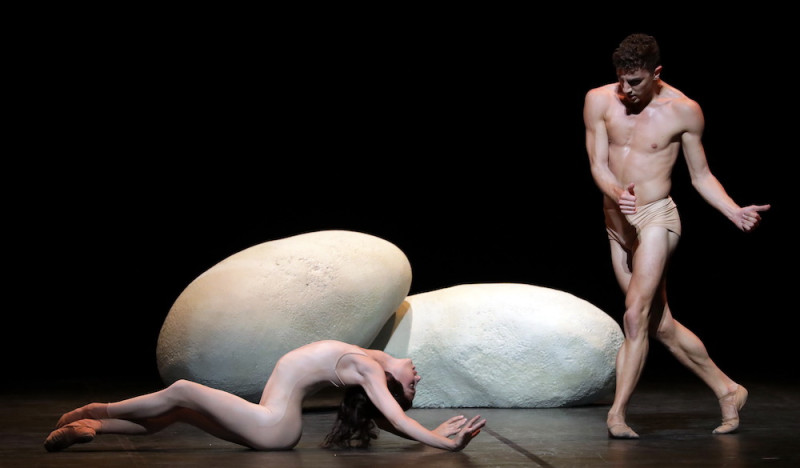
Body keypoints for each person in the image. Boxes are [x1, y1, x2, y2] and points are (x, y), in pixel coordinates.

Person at [583, 33, 770, 439]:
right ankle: (728, 389)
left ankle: (617, 415)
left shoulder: (684, 111)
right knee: (659, 325)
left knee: (634, 316)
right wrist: (617, 194)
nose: (626, 90)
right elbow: (597, 164)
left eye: (635, 82)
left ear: (657, 73)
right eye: (621, 80)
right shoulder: (599, 100)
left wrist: (732, 209)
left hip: (656, 219)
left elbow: (700, 175)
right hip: (617, 227)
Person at [44, 339, 486, 452]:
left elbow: (397, 417)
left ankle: (92, 408)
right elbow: (391, 419)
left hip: (272, 424)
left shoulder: (366, 368)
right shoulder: (366, 358)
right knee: (175, 412)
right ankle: (94, 427)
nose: (418, 378)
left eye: (410, 386)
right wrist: (429, 435)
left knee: (181, 390)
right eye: (415, 384)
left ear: (392, 383)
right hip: (269, 423)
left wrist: (441, 439)